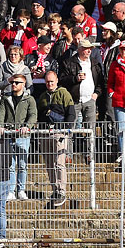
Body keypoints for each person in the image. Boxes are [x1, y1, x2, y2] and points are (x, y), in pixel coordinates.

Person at [37, 70, 74, 208]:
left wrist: (66, 129)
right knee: (49, 164)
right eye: (47, 82)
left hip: (59, 133)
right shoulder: (42, 96)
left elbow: (71, 113)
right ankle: (55, 190)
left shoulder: (64, 93)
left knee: (59, 162)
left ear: (57, 80)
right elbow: (39, 115)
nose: (50, 84)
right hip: (45, 133)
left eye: (52, 81)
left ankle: (61, 191)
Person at [0, 73, 36, 201]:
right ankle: (10, 191)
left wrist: (27, 126)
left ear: (23, 84)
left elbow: (33, 115)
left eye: (17, 82)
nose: (13, 84)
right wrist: (0, 126)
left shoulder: (29, 99)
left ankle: (21, 190)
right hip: (9, 134)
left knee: (22, 164)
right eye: (12, 82)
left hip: (23, 136)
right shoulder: (6, 98)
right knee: (10, 165)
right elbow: (1, 113)